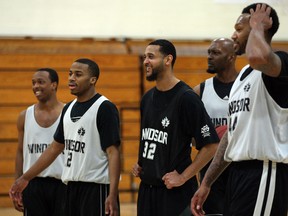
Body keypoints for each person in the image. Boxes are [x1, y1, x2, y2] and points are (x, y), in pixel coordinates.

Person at [191, 3, 288, 216]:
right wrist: (207, 182)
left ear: (259, 29)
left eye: (239, 29)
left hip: (264, 172)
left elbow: (258, 57)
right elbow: (231, 136)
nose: (234, 35)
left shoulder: (280, 64)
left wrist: (257, 27)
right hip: (238, 174)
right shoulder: (242, 76)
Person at [10, 58, 121, 216]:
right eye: (70, 74)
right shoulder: (68, 108)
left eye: (78, 74)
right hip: (70, 189)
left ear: (92, 80)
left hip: (96, 188)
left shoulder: (105, 108)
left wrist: (113, 193)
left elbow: (113, 152)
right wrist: (24, 178)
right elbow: (54, 148)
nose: (71, 78)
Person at [132, 39, 220, 216]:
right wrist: (142, 164)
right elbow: (151, 137)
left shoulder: (186, 98)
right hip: (147, 192)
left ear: (168, 60)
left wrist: (183, 176)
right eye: (144, 57)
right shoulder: (147, 98)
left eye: (151, 57)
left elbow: (211, 145)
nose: (145, 61)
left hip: (175, 195)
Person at [193, 37, 238, 215]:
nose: (210, 57)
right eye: (209, 52)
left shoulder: (248, 86)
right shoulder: (200, 90)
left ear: (231, 57)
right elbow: (188, 134)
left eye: (216, 53)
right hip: (210, 170)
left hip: (240, 167)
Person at [13, 68, 65, 216]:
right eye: (33, 83)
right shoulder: (24, 116)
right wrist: (17, 182)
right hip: (32, 184)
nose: (36, 86)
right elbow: (20, 152)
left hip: (63, 183)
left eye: (41, 82)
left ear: (54, 85)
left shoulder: (68, 113)